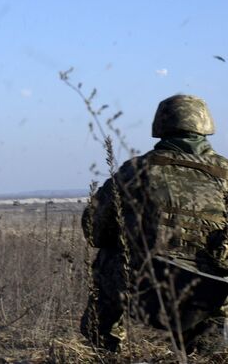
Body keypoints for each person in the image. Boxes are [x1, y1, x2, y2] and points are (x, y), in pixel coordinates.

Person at [80, 94, 228, 354]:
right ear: (205, 125)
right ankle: (207, 349)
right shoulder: (225, 173)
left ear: (161, 125)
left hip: (142, 287)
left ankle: (105, 344)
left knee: (109, 254)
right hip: (204, 294)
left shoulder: (136, 170)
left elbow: (94, 230)